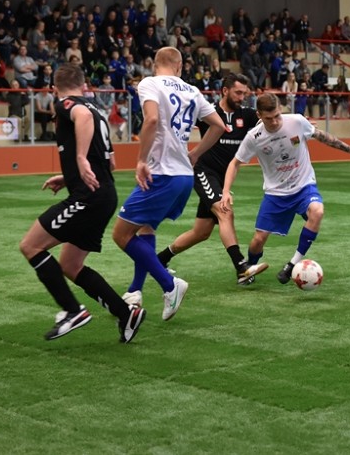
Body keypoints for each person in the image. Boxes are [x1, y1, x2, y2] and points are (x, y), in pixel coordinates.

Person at [17, 63, 145, 342]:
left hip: (89, 197)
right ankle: (126, 314)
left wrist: (80, 158)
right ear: (84, 85)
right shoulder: (97, 109)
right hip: (102, 194)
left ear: (54, 88)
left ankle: (72, 311)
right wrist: (70, 177)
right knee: (70, 265)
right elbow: (110, 162)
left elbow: (81, 117)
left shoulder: (68, 105)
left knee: (30, 246)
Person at [111, 46, 226, 321]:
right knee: (145, 228)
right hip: (184, 176)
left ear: (155, 64)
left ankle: (170, 284)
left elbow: (151, 119)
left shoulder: (149, 83)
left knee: (121, 235)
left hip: (161, 173)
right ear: (180, 66)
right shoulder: (193, 90)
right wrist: (195, 154)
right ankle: (135, 291)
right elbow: (219, 125)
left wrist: (141, 159)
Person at [219, 92, 350, 285]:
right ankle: (248, 271)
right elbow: (235, 163)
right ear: (259, 115)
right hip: (276, 193)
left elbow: (322, 136)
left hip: (304, 186)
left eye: (277, 116)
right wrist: (225, 191)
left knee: (317, 211)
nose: (275, 121)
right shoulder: (254, 137)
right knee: (258, 240)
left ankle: (291, 265)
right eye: (269, 118)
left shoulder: (296, 121)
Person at [153, 73, 269, 287]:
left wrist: (294, 122)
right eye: (238, 92)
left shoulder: (247, 115)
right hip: (204, 172)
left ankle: (158, 260)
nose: (242, 97)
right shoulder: (208, 111)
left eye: (244, 93)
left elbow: (270, 120)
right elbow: (178, 120)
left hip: (223, 179)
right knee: (225, 212)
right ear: (225, 91)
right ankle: (241, 267)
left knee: (201, 232)